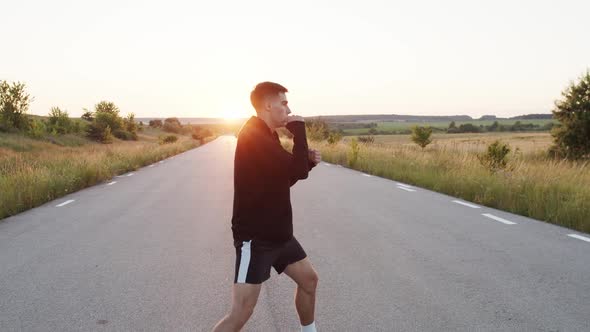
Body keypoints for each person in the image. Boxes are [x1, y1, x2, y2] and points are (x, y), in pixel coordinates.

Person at [213, 82, 321, 332]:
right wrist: (299, 130)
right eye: (284, 103)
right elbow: (297, 171)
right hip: (256, 240)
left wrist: (308, 163)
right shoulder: (253, 136)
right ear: (268, 105)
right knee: (241, 312)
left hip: (280, 236)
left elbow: (287, 176)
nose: (289, 109)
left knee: (309, 281)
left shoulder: (266, 136)